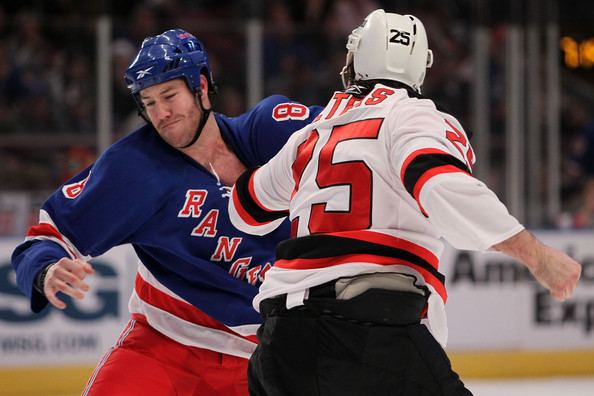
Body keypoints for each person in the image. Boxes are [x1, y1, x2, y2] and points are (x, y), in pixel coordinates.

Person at [228, 9, 582, 396]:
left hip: (279, 347)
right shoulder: (412, 116)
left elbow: (246, 208)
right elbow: (440, 185)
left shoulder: (309, 136)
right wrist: (536, 254)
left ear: (358, 56)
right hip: (366, 333)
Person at [11, 29, 321, 395]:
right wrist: (46, 269)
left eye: (169, 95)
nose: (162, 113)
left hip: (265, 358)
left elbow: (355, 132)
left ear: (201, 86)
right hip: (164, 347)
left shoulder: (269, 132)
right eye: (150, 102)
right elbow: (48, 237)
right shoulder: (133, 168)